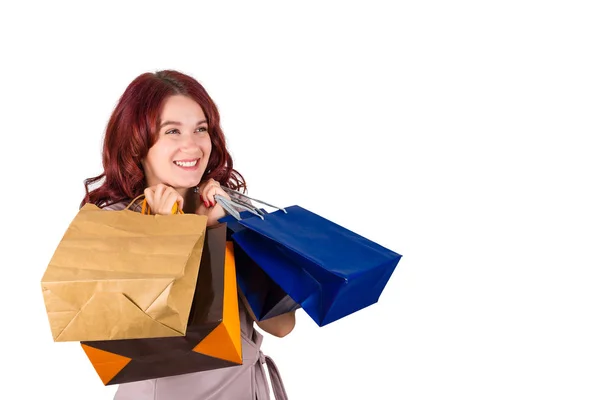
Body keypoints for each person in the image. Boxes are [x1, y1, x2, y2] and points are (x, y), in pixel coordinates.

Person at [81, 70, 295, 400]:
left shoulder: (231, 211)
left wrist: (219, 231)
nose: (191, 145)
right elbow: (139, 342)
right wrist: (174, 235)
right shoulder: (114, 222)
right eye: (172, 131)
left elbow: (280, 326)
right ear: (138, 142)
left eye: (200, 129)